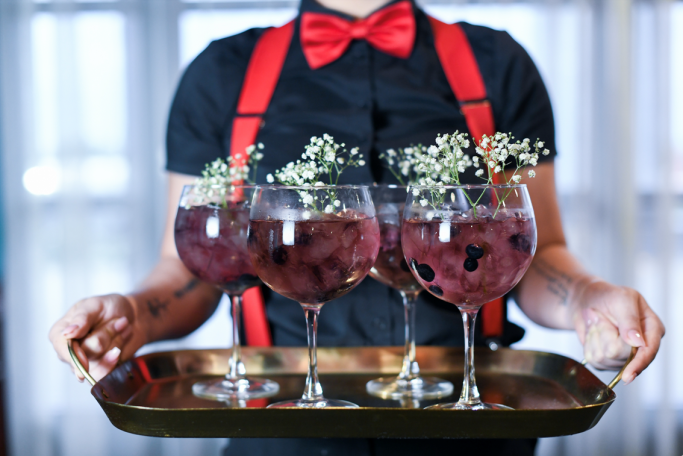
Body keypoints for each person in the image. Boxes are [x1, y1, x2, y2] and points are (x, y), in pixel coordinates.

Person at [49, 0, 664, 454]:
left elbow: (536, 249)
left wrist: (589, 299)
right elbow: (183, 271)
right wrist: (129, 311)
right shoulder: (221, 73)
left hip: (467, 424)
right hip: (279, 427)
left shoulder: (497, 65)